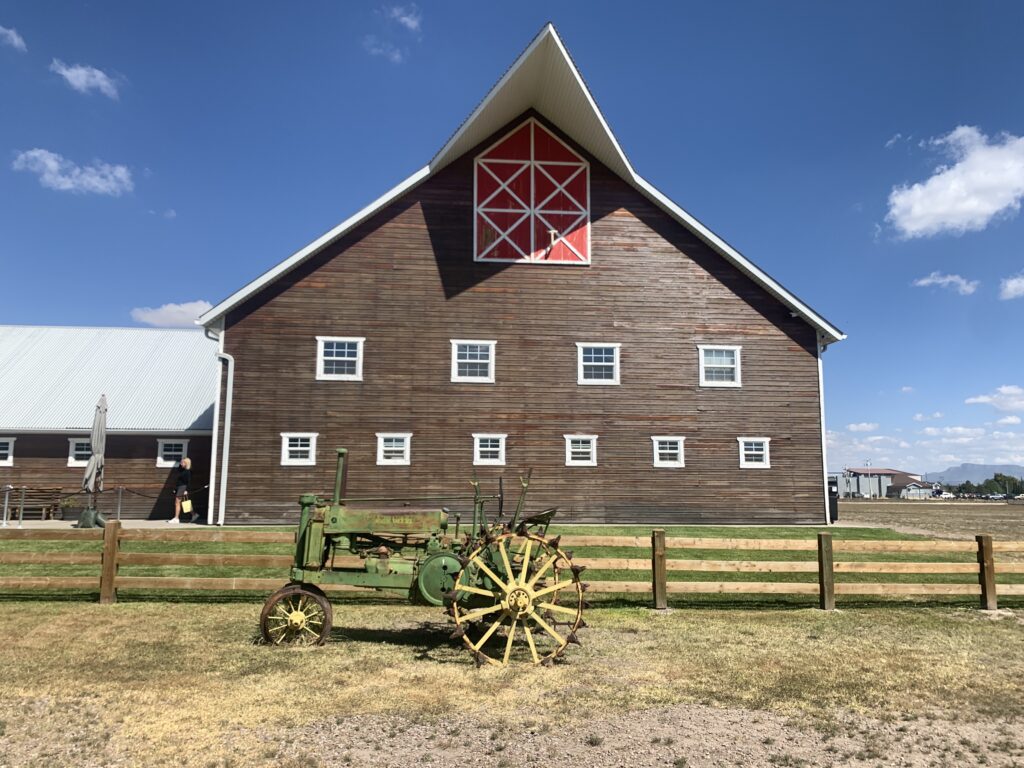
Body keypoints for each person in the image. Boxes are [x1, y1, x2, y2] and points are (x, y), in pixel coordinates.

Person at [168, 457, 193, 524]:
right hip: (179, 487)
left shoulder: (187, 472)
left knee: (177, 502)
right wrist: (175, 489)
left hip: (183, 487)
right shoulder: (182, 470)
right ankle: (194, 514)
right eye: (181, 462)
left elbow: (188, 482)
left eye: (182, 462)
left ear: (186, 463)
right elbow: (179, 469)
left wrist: (186, 490)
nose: (181, 463)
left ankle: (176, 518)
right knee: (185, 502)